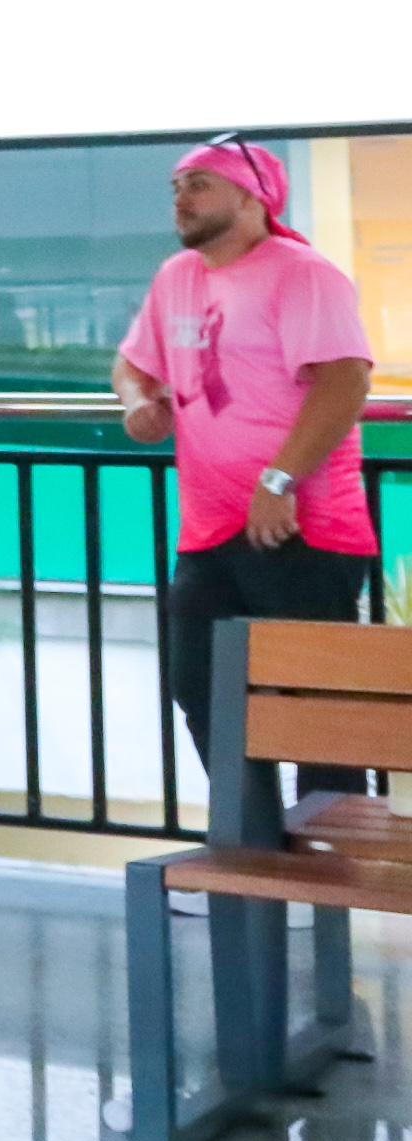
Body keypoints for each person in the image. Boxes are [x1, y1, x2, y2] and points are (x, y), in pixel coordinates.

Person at [116, 137, 379, 813]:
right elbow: (133, 364)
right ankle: (253, 841)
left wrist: (279, 480)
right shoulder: (177, 276)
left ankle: (329, 855)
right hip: (209, 528)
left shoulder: (302, 274)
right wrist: (138, 403)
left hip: (304, 529)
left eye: (199, 184)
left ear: (252, 196)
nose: (181, 198)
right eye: (176, 187)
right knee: (201, 689)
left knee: (318, 709)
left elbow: (345, 381)